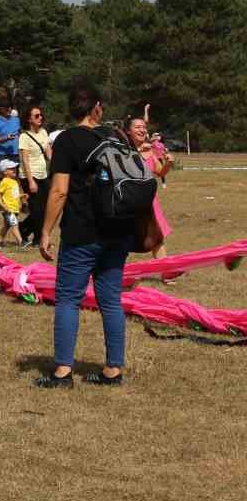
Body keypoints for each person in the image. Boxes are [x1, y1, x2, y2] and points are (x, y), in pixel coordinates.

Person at [37, 83, 134, 388]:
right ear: (97, 108)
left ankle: (63, 371)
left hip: (81, 232)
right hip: (118, 231)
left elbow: (59, 190)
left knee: (68, 299)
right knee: (111, 301)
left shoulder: (67, 140)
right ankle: (113, 369)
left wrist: (45, 230)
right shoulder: (117, 137)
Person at [126, 108, 173, 269]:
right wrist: (138, 151)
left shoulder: (151, 151)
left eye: (143, 127)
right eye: (137, 127)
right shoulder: (123, 149)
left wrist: (168, 164)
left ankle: (166, 272)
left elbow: (160, 172)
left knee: (157, 237)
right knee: (121, 238)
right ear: (128, 131)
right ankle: (113, 273)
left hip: (150, 202)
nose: (142, 129)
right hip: (129, 201)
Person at [17, 103, 52, 246]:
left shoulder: (43, 132)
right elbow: (24, 160)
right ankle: (38, 239)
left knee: (45, 208)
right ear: (29, 119)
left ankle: (22, 229)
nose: (40, 117)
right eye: (36, 116)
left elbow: (48, 152)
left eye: (41, 114)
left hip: (43, 175)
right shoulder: (24, 137)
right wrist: (31, 181)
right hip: (29, 176)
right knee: (37, 209)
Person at [0, 101, 20, 184]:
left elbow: (19, 133)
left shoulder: (16, 120)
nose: (9, 109)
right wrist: (6, 138)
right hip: (2, 155)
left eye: (10, 107)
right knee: (2, 180)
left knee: (14, 179)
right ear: (1, 109)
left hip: (15, 153)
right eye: (6, 107)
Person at [0, 162, 25, 246]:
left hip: (14, 208)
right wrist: (1, 204)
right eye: (11, 168)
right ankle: (21, 242)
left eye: (15, 168)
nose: (14, 169)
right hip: (8, 209)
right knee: (14, 224)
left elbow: (13, 195)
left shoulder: (14, 182)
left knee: (7, 226)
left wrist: (22, 196)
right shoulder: (5, 181)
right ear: (5, 172)